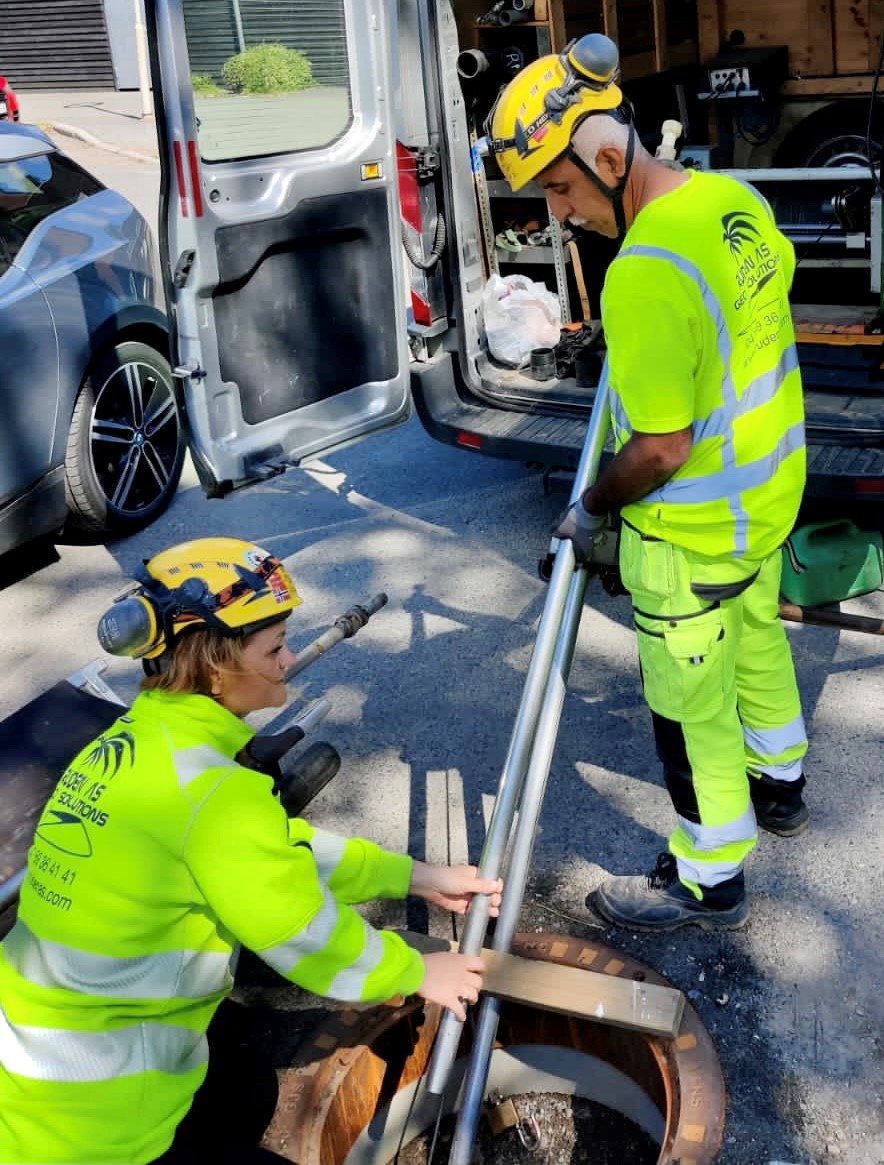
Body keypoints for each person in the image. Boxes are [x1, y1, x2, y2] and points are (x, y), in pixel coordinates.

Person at [0, 537, 503, 1164]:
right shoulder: (213, 794)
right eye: (274, 647)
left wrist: (415, 876)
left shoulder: (137, 743)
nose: (288, 659)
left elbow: (270, 852)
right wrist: (415, 971)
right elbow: (298, 928)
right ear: (216, 666)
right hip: (96, 1120)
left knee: (247, 1088)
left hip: (30, 1052)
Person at [485, 34, 807, 931]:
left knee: (689, 706)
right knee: (758, 641)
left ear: (605, 159)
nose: (558, 214)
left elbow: (660, 448)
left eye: (559, 188)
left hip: (692, 533)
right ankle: (780, 784)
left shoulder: (643, 273)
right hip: (764, 502)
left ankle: (709, 877)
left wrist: (589, 505)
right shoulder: (733, 200)